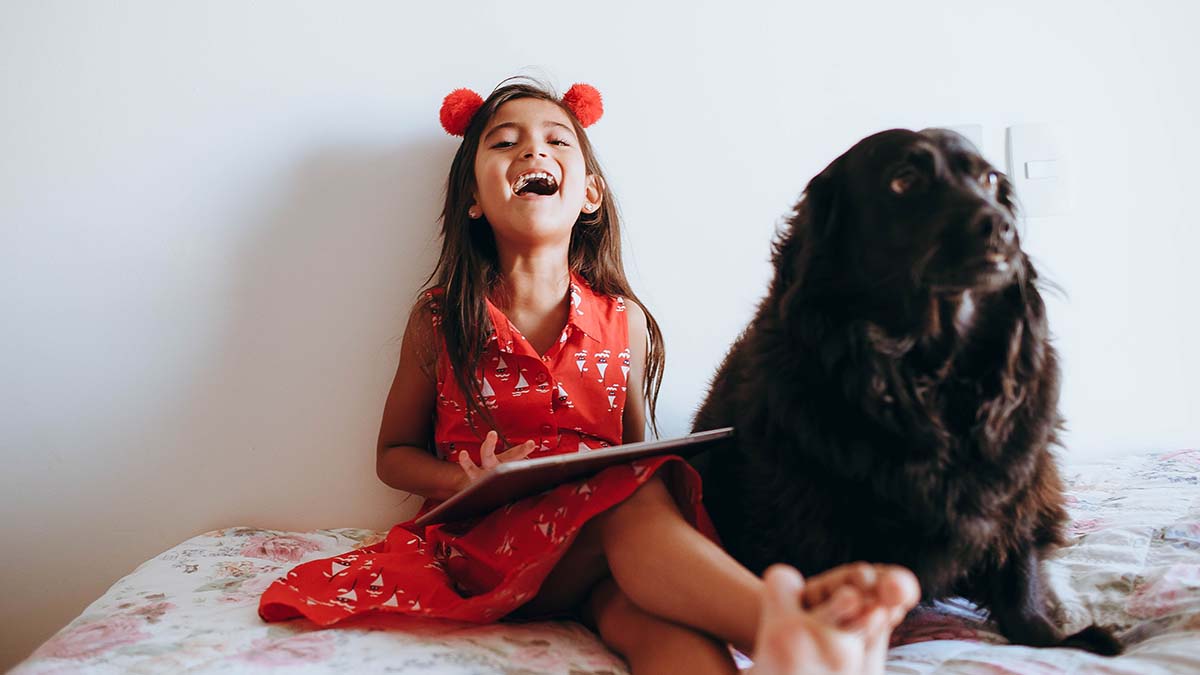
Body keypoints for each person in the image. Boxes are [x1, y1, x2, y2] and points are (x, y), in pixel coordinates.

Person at [258, 78, 920, 674]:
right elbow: (391, 455)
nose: (532, 153)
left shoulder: (621, 320)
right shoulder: (440, 321)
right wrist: (462, 478)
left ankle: (789, 648)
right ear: (473, 202)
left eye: (555, 141)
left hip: (593, 555)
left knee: (648, 606)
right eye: (505, 143)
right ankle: (795, 621)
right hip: (487, 549)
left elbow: (635, 452)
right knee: (626, 502)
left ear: (590, 194)